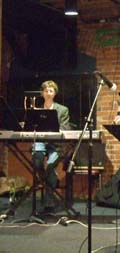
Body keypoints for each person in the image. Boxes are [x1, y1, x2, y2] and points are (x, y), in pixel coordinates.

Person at [32, 80, 71, 213]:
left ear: (54, 93)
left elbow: (65, 129)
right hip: (41, 142)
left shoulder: (62, 110)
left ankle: (49, 203)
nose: (48, 93)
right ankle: (49, 177)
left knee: (49, 166)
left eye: (51, 91)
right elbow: (32, 128)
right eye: (46, 91)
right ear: (42, 93)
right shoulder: (37, 110)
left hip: (56, 145)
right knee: (37, 161)